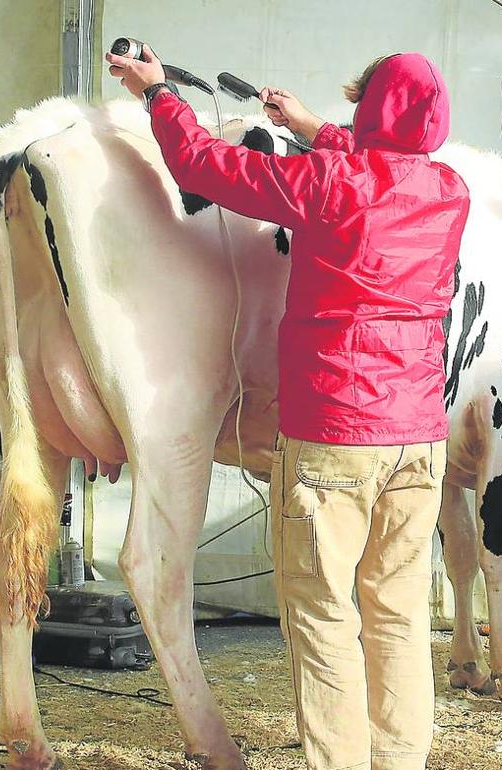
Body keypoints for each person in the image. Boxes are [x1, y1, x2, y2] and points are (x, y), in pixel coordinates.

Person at [106, 47, 469, 770]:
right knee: (397, 614)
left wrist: (158, 95)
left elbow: (208, 168)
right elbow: (384, 169)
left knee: (324, 615)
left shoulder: (328, 182)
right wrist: (312, 126)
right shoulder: (448, 189)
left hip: (334, 433)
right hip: (418, 439)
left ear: (368, 111)